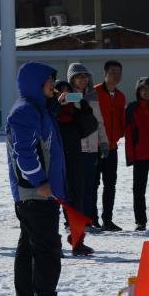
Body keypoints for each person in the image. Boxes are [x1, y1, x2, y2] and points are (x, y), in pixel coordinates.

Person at [6, 62, 76, 296]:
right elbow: (23, 153)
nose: (53, 86)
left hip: (35, 194)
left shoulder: (37, 108)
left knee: (29, 248)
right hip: (36, 194)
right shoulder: (25, 111)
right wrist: (39, 182)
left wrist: (56, 104)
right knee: (47, 248)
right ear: (36, 82)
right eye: (49, 81)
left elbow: (42, 132)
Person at [65, 63, 109, 242]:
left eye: (85, 76)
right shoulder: (68, 96)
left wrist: (104, 141)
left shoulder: (92, 96)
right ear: (71, 79)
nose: (83, 80)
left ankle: (88, 220)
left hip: (91, 148)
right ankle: (73, 220)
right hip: (75, 148)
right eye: (78, 77)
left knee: (90, 186)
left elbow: (99, 121)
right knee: (76, 187)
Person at [52, 79, 95, 256]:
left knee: (76, 204)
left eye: (68, 92)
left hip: (74, 164)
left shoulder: (75, 114)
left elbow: (89, 128)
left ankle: (78, 243)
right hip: (54, 167)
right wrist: (56, 106)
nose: (64, 95)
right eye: (60, 92)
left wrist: (83, 105)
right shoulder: (50, 114)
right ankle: (53, 245)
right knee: (53, 206)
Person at [123, 77, 149, 231]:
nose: (146, 92)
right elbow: (128, 134)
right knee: (138, 190)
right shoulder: (132, 108)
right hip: (140, 155)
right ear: (138, 91)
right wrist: (130, 156)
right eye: (142, 89)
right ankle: (140, 221)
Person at [93, 59, 125, 231]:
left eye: (119, 73)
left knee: (110, 185)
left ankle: (108, 219)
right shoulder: (94, 92)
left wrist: (119, 135)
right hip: (94, 147)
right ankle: (92, 218)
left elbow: (121, 119)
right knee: (93, 184)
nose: (116, 76)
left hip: (112, 147)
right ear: (105, 73)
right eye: (112, 72)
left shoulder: (120, 96)